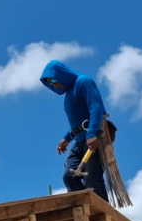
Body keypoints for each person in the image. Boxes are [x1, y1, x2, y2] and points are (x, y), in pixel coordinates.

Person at [39, 59, 110, 200]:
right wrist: (67, 138)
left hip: (94, 138)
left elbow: (96, 108)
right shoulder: (68, 95)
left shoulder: (84, 82)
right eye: (50, 84)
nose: (54, 85)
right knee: (69, 177)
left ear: (61, 75)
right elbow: (78, 124)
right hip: (79, 141)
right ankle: (84, 206)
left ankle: (102, 215)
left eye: (53, 81)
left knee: (92, 180)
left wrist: (92, 133)